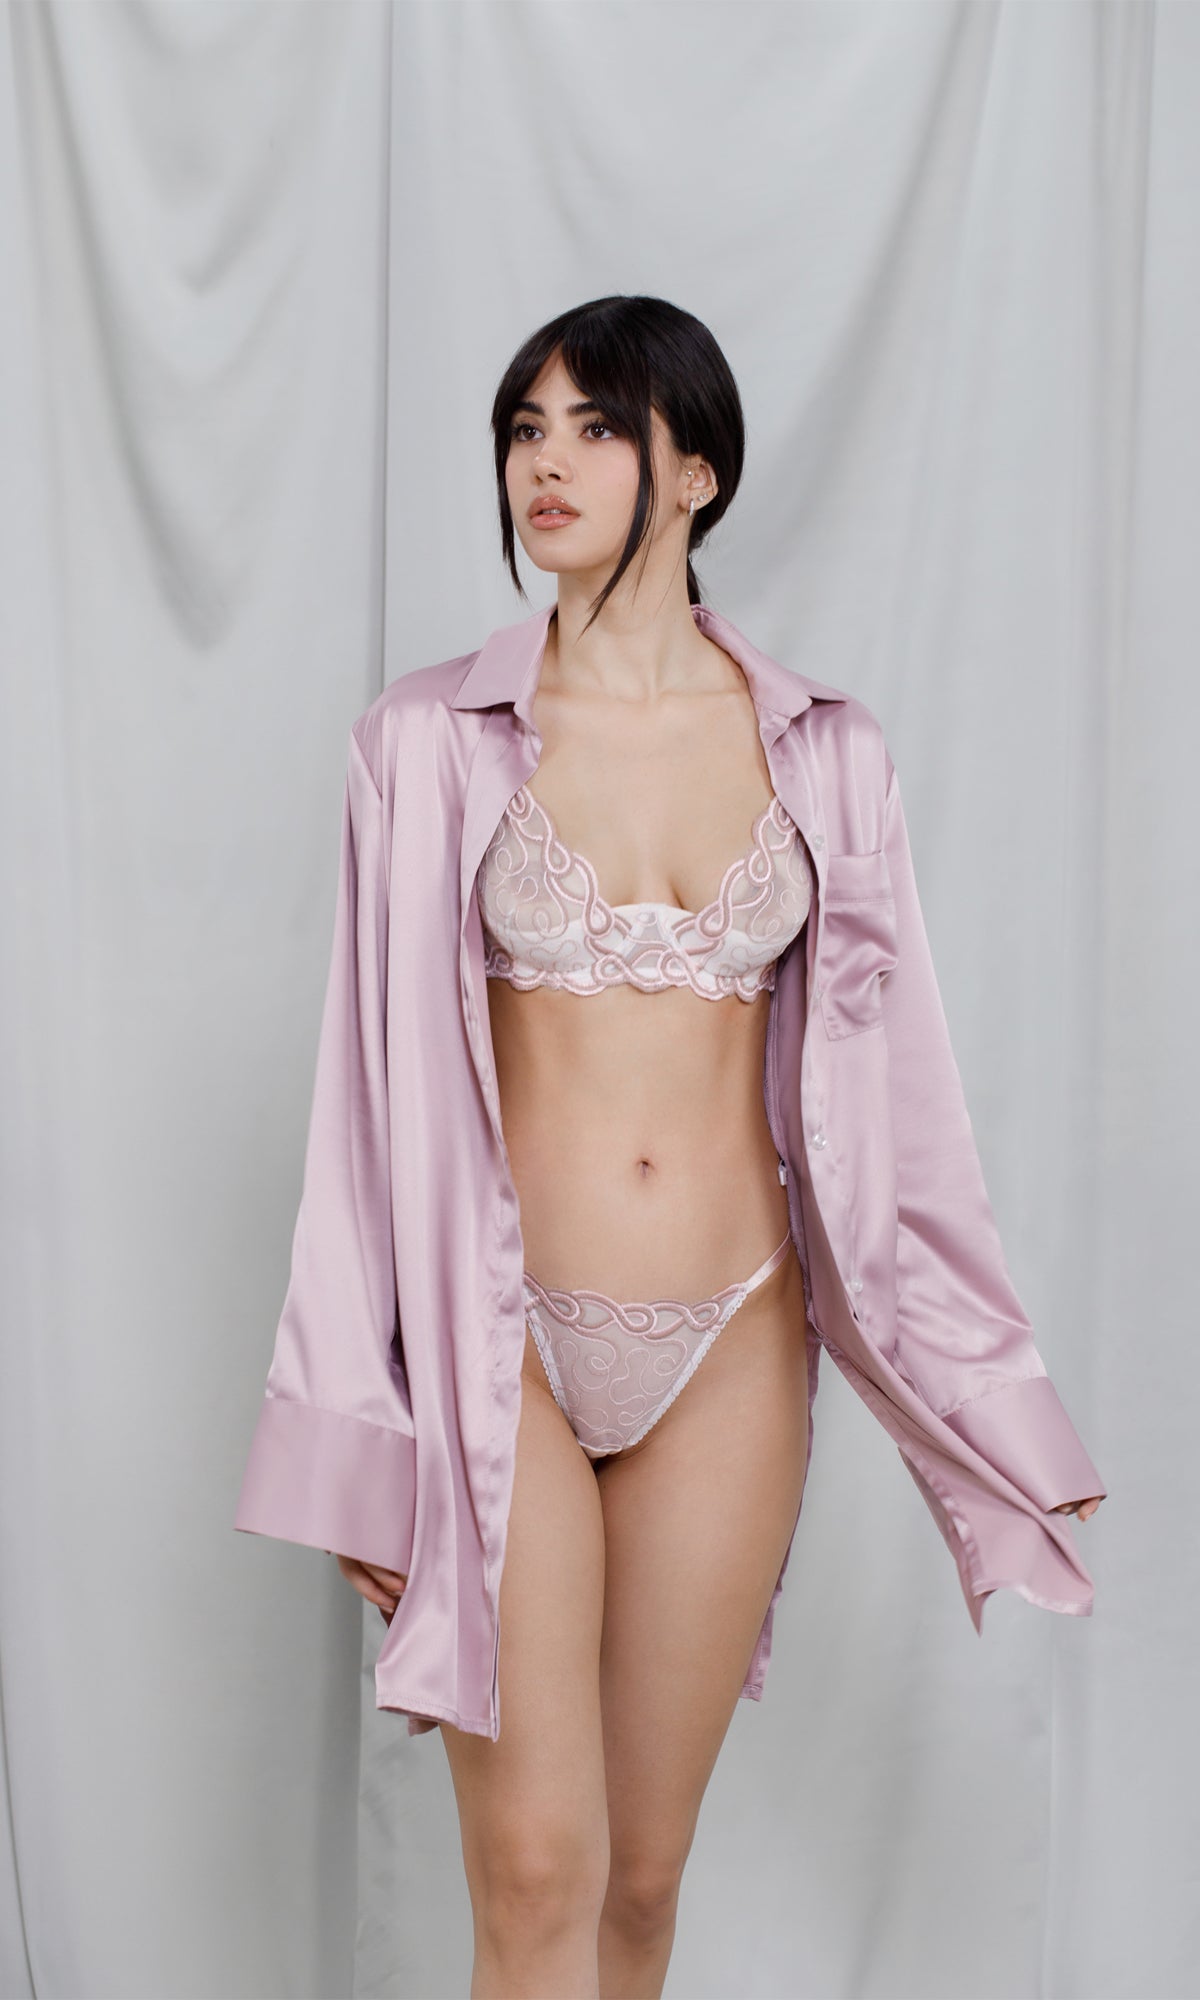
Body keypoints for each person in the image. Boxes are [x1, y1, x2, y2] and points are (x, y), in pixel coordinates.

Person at [235, 295, 1105, 2000]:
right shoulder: (423, 744)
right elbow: (360, 1108)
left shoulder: (828, 755)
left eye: (596, 427)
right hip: (505, 1354)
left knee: (639, 1884)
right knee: (533, 1873)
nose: (544, 464)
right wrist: (353, 1422)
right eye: (524, 429)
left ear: (695, 472)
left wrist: (1001, 1403)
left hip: (731, 1347)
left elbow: (905, 1111)